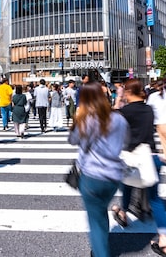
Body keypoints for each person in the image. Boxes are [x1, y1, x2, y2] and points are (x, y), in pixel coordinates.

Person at [113, 78, 166, 257]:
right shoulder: (149, 110)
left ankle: (123, 213)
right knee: (155, 199)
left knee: (126, 186)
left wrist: (118, 100)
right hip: (151, 157)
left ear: (128, 92)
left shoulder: (124, 112)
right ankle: (164, 241)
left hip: (130, 158)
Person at [68, 82, 128, 257]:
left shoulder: (86, 119)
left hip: (91, 176)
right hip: (113, 176)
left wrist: (77, 118)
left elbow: (73, 140)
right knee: (100, 211)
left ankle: (101, 251)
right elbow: (126, 140)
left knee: (95, 218)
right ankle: (100, 246)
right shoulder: (118, 118)